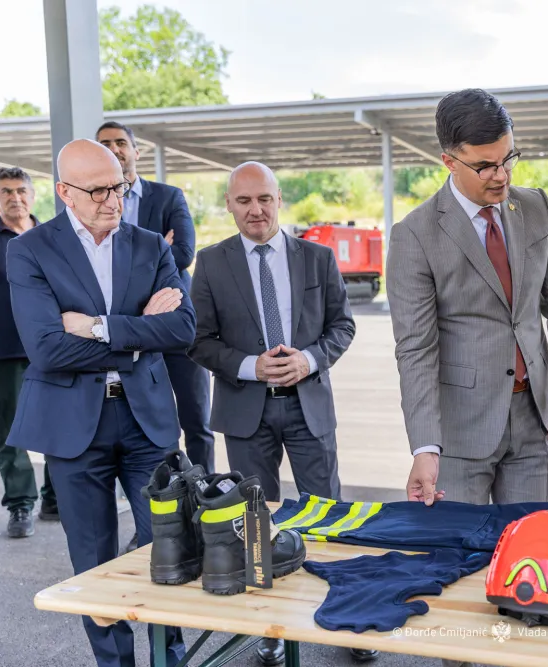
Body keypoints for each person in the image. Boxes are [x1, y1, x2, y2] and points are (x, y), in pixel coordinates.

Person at [5, 139, 190, 666]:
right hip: (72, 425)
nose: (114, 200)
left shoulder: (150, 245)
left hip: (145, 421)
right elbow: (46, 348)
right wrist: (139, 333)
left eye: (120, 187)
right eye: (99, 191)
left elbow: (181, 328)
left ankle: (169, 658)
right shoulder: (29, 249)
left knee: (169, 548)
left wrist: (97, 327)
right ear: (64, 192)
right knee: (92, 559)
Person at [188, 161, 375, 665]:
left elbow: (342, 326)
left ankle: (348, 621)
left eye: (264, 199)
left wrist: (309, 359)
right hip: (245, 412)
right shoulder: (211, 263)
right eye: (244, 200)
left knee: (330, 518)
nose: (256, 210)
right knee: (256, 524)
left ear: (279, 200)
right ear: (229, 205)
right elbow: (198, 340)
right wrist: (250, 366)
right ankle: (269, 628)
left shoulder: (317, 258)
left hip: (308, 406)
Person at [388, 88, 548, 508]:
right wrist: (424, 447)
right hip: (459, 435)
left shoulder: (538, 208)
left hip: (533, 422)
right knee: (460, 546)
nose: (501, 176)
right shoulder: (415, 235)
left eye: (508, 159)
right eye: (484, 166)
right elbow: (416, 349)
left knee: (529, 541)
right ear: (449, 161)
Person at [96, 121, 215, 474]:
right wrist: (157, 247)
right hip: (129, 328)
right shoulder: (91, 205)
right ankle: (162, 497)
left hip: (176, 323)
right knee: (147, 423)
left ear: (136, 151)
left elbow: (184, 254)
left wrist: (131, 263)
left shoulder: (167, 196)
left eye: (120, 142)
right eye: (105, 144)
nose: (114, 149)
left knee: (196, 419)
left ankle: (205, 493)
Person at [0, 167, 59, 537]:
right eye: (6, 191)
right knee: (9, 433)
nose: (14, 197)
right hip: (4, 351)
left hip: (54, 347)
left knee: (59, 425)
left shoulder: (53, 237)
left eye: (21, 190)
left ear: (33, 196)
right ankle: (20, 504)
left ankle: (55, 498)